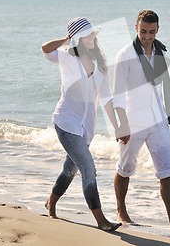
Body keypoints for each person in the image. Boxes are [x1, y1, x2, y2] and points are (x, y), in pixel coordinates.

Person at [113, 10, 170, 236]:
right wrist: (122, 125)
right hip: (133, 121)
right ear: (135, 28)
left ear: (157, 30)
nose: (146, 36)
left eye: (151, 32)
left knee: (166, 170)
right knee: (125, 168)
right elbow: (117, 93)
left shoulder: (160, 51)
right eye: (143, 31)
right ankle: (121, 210)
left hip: (157, 119)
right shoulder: (125, 54)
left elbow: (160, 85)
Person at [41, 17, 121, 231]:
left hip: (86, 127)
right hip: (66, 121)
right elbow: (45, 49)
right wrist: (66, 39)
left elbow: (107, 99)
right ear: (77, 38)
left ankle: (51, 203)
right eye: (86, 35)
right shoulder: (66, 57)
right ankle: (101, 221)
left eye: (92, 33)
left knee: (69, 170)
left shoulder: (100, 65)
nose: (91, 38)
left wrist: (118, 127)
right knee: (88, 168)